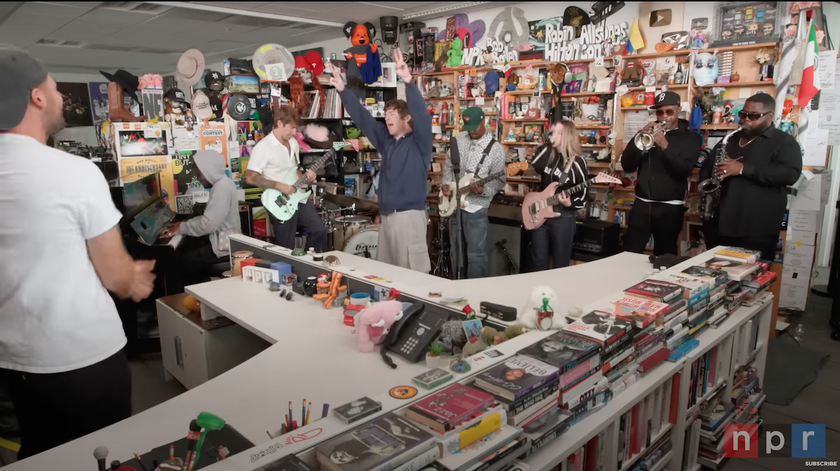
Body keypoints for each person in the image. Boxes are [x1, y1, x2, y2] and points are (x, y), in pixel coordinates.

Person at [0, 46, 156, 458]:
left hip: (12, 360)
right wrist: (136, 278)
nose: (58, 97)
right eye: (53, 87)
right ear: (35, 96)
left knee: (40, 451)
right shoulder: (74, 172)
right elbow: (116, 275)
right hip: (81, 357)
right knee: (103, 454)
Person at [329, 49, 432, 273]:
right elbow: (364, 119)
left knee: (412, 275)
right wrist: (342, 90)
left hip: (409, 218)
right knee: (387, 275)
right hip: (387, 217)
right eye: (386, 114)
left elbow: (422, 116)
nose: (387, 118)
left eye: (392, 114)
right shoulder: (387, 142)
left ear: (407, 118)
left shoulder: (420, 142)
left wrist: (408, 81)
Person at [704, 93, 802, 260]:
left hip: (756, 229)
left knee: (751, 280)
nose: (746, 119)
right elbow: (707, 170)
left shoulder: (784, 142)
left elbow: (790, 174)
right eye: (743, 114)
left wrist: (743, 169)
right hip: (720, 224)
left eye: (754, 116)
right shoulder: (730, 139)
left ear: (770, 116)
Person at [621, 91, 702, 256]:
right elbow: (627, 166)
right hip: (642, 204)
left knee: (665, 257)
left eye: (669, 111)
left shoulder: (691, 139)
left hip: (670, 208)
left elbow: (682, 171)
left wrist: (664, 144)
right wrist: (638, 139)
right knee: (629, 253)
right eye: (660, 112)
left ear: (679, 110)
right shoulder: (648, 133)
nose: (664, 116)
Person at [246, 107, 326, 252]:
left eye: (296, 129)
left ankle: (309, 263)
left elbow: (293, 171)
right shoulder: (263, 147)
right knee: (285, 245)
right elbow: (251, 177)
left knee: (319, 230)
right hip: (279, 201)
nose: (294, 133)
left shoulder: (293, 144)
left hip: (297, 196)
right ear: (280, 123)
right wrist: (280, 186)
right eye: (291, 128)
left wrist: (307, 179)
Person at [441, 107, 506, 279]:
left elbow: (500, 180)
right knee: (456, 253)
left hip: (476, 207)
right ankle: (456, 290)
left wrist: (484, 189)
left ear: (483, 121)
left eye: (475, 126)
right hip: (454, 206)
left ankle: (476, 293)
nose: (472, 130)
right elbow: (448, 167)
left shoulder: (495, 148)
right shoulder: (457, 140)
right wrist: (446, 185)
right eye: (468, 126)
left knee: (476, 256)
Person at [161, 150, 241, 284]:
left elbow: (208, 224)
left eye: (200, 173)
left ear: (209, 171)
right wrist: (182, 225)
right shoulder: (223, 183)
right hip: (221, 241)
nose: (198, 178)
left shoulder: (222, 188)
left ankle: (201, 293)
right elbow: (209, 219)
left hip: (222, 248)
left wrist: (181, 227)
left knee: (179, 265)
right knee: (187, 252)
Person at [528, 120, 589, 270]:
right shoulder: (548, 155)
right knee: (538, 261)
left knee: (560, 264)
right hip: (541, 213)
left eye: (557, 132)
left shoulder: (577, 162)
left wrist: (570, 204)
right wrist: (546, 145)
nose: (552, 136)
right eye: (551, 132)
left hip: (563, 217)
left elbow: (584, 192)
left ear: (566, 135)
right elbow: (532, 165)